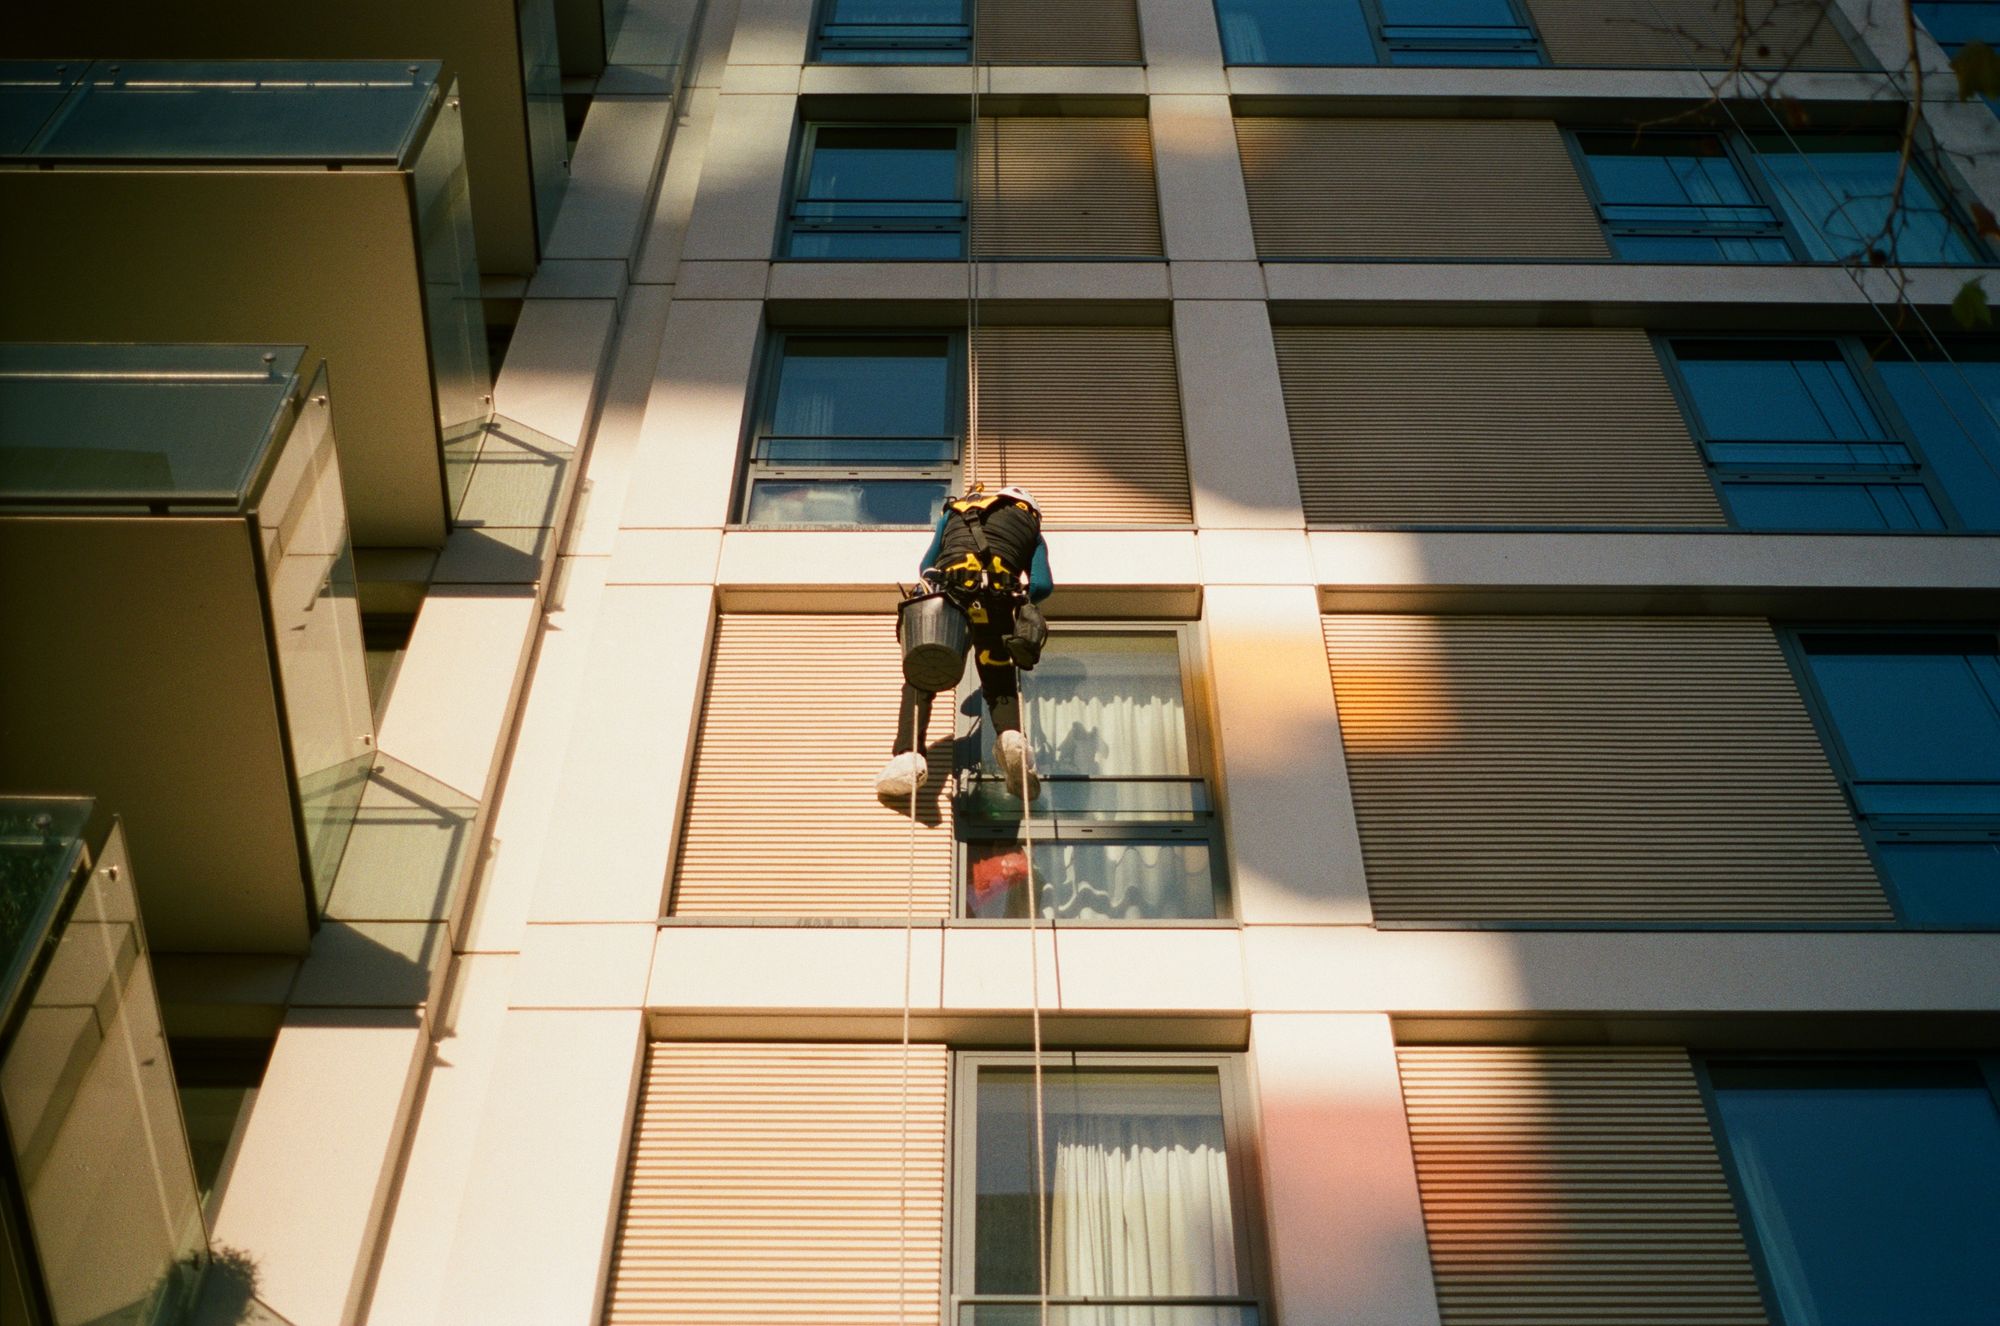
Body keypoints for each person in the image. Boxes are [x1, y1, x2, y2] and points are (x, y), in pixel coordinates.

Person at [876, 484, 1052, 803]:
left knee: (923, 672)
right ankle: (1012, 739)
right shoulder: (1032, 526)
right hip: (997, 602)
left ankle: (906, 759)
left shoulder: (954, 513)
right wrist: (1021, 599)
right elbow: (1041, 584)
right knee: (999, 683)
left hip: (951, 599)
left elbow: (927, 567)